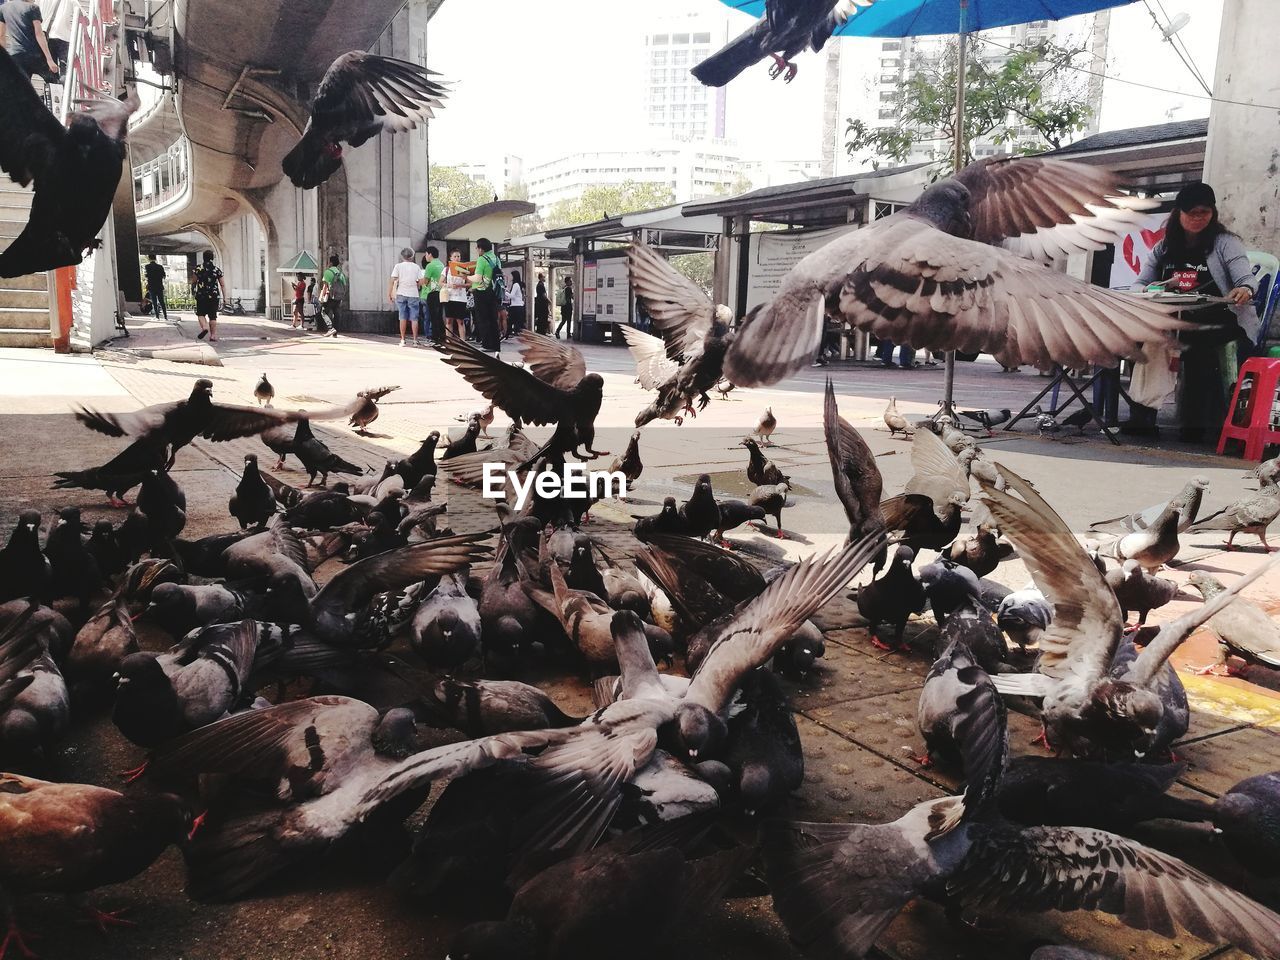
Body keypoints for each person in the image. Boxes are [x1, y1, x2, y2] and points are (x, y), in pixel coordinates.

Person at [1132, 181, 1259, 443]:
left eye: (1204, 212)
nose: (1198, 218)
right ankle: (1143, 415)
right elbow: (1140, 282)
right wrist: (1148, 291)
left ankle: (1196, 426)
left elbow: (1246, 278)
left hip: (1220, 319)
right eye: (1191, 213)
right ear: (1178, 213)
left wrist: (1244, 289)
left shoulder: (1225, 243)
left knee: (1198, 347)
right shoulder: (1164, 247)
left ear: (1213, 213)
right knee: (1145, 342)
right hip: (1174, 319)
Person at [0, 1, 59, 80]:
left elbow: (1, 35)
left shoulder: (3, 8)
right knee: (53, 79)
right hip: (35, 55)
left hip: (15, 55)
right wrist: (49, 59)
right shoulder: (32, 8)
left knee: (22, 85)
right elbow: (39, 34)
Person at [470, 237, 501, 354]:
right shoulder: (496, 259)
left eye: (477, 247)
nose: (477, 250)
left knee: (483, 319)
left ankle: (487, 344)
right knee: (493, 318)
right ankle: (495, 345)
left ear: (481, 248)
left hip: (482, 291)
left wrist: (466, 276)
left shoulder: (482, 259)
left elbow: (477, 278)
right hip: (494, 291)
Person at [388, 247, 422, 347]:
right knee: (414, 318)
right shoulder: (416, 267)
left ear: (402, 256)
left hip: (401, 293)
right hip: (413, 294)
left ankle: (403, 340)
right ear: (412, 256)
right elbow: (421, 281)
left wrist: (389, 293)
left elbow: (392, 280)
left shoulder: (398, 266)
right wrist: (416, 283)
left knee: (402, 317)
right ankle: (415, 340)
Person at [192, 250, 225, 342]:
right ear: (212, 258)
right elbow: (222, 284)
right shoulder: (216, 270)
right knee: (213, 316)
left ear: (203, 257)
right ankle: (213, 336)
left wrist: (193, 289)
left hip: (201, 295)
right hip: (214, 296)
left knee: (201, 314)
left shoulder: (198, 268)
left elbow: (194, 281)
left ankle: (205, 327)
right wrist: (225, 297)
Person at [443, 250, 469, 341]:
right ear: (451, 258)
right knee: (449, 320)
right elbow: (440, 282)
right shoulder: (446, 269)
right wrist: (449, 285)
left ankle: (463, 341)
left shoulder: (464, 270)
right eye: (455, 256)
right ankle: (449, 340)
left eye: (458, 256)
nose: (457, 258)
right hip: (449, 297)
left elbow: (469, 283)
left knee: (460, 321)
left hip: (461, 298)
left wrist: (460, 285)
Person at [316, 254, 345, 337]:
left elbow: (325, 286)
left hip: (330, 296)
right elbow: (344, 285)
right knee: (336, 313)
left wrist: (321, 296)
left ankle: (330, 328)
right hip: (338, 297)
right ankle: (335, 333)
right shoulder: (341, 273)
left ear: (331, 263)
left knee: (323, 312)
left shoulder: (328, 272)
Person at [421, 246, 445, 345]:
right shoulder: (441, 264)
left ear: (430, 254)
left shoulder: (430, 266)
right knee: (439, 316)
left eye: (426, 254)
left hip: (432, 292)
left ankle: (435, 339)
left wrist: (422, 282)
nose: (426, 256)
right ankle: (442, 337)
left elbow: (425, 282)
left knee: (433, 317)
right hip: (441, 292)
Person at [143, 254, 167, 320]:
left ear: (149, 259)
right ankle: (165, 316)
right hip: (159, 286)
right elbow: (164, 276)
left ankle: (157, 316)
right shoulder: (160, 267)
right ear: (155, 259)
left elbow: (146, 275)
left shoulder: (147, 266)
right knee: (162, 301)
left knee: (154, 302)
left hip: (151, 286)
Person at [506, 269, 525, 337]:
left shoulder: (515, 285)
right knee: (516, 322)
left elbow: (512, 296)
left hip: (515, 306)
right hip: (519, 306)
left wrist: (505, 292)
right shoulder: (519, 285)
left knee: (510, 321)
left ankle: (507, 334)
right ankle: (511, 333)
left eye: (511, 276)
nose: (510, 277)